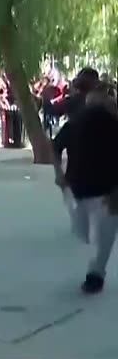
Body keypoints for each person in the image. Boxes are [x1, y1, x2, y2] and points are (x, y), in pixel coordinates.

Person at [53, 75, 118, 295]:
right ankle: (95, 270)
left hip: (103, 189)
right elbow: (56, 146)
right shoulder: (78, 122)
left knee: (102, 236)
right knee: (86, 233)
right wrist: (59, 173)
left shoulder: (94, 121)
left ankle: (96, 273)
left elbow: (55, 146)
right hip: (79, 187)